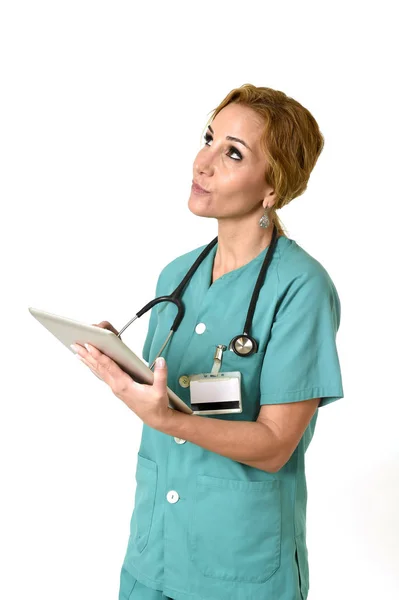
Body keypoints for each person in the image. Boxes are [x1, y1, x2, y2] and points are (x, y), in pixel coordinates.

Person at [75, 84, 344, 600]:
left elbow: (274, 445)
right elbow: (165, 393)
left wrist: (171, 420)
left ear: (273, 187)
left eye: (233, 153)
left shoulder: (301, 287)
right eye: (209, 138)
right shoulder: (177, 275)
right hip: (153, 556)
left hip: (238, 565)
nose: (203, 162)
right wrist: (121, 365)